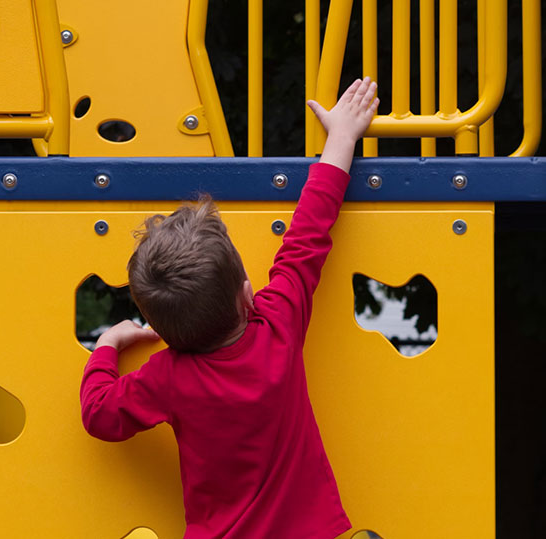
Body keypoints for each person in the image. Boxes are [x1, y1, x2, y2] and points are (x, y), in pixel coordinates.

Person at [81, 77, 380, 538]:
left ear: (163, 330)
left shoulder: (167, 377)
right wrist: (341, 137)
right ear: (247, 296)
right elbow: (308, 233)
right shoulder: (277, 324)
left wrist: (108, 344)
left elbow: (99, 414)